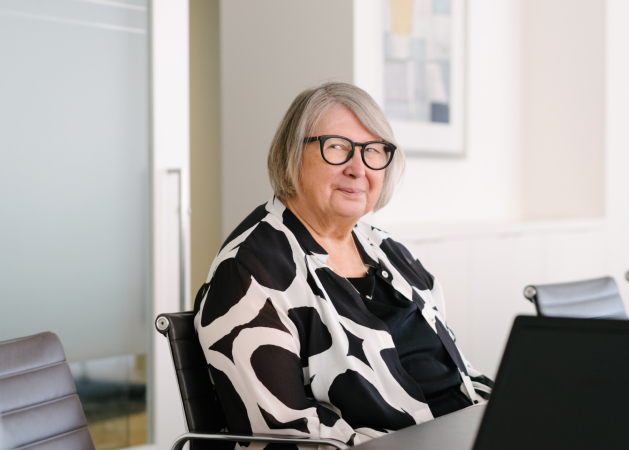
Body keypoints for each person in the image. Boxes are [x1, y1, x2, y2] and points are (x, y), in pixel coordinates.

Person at [194, 82, 493, 447]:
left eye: (373, 151)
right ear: (292, 153)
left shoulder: (388, 250)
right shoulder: (251, 271)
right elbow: (283, 432)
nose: (358, 168)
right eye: (337, 148)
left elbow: (461, 374)